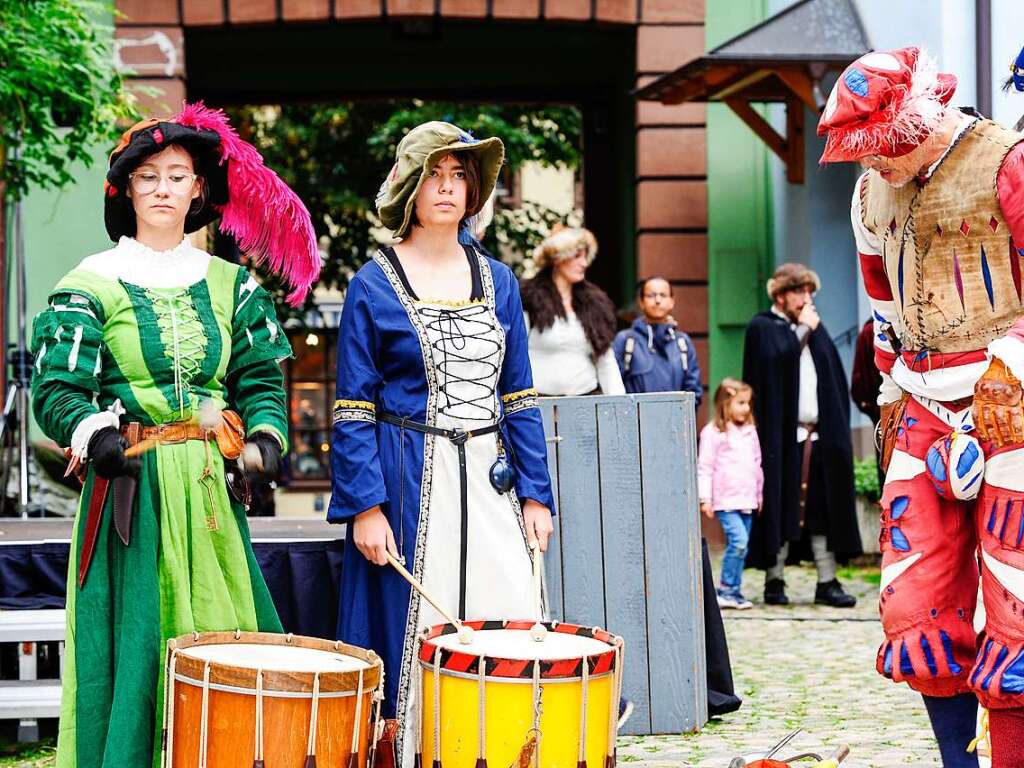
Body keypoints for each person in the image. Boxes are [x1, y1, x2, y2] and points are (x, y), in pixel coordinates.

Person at [30, 103, 319, 768]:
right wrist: (91, 431)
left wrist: (266, 440)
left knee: (227, 638)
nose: (163, 188)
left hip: (210, 492)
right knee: (138, 644)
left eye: (178, 175)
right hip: (133, 486)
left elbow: (260, 380)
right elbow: (57, 387)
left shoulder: (232, 286)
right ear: (127, 189)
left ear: (198, 191)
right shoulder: (91, 281)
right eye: (149, 176)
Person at [817, 46, 1024, 767]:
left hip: (1014, 398)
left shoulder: (1007, 161)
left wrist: (1013, 365)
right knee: (915, 605)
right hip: (922, 396)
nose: (870, 165)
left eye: (877, 148)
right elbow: (881, 303)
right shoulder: (872, 191)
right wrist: (890, 391)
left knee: (1017, 600)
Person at [329, 121, 555, 768]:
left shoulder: (500, 282)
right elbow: (352, 407)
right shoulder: (373, 284)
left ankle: (497, 751)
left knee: (508, 607)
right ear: (410, 186)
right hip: (406, 479)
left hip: (491, 477)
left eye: (460, 176)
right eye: (435, 174)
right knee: (415, 628)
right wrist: (365, 506)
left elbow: (518, 395)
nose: (448, 188)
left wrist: (537, 495)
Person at [742, 263, 861, 608]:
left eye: (809, 292)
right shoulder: (763, 328)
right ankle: (774, 579)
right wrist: (803, 332)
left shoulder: (816, 330)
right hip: (781, 438)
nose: (806, 299)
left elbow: (832, 380)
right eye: (799, 292)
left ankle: (827, 581)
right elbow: (772, 363)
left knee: (822, 509)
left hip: (819, 436)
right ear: (780, 295)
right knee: (781, 504)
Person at [521, 225, 625, 396]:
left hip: (585, 402)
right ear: (557, 258)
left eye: (585, 257)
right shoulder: (529, 298)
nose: (584, 263)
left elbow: (605, 360)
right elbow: (514, 353)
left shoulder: (594, 304)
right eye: (577, 256)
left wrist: (619, 407)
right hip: (539, 405)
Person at [698, 379, 763, 610]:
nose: (746, 408)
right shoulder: (714, 433)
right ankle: (726, 588)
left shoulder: (749, 432)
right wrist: (705, 498)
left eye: (748, 403)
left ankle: (733, 590)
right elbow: (705, 466)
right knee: (739, 542)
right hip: (725, 500)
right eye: (741, 403)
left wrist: (759, 495)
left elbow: (757, 465)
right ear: (726, 404)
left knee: (742, 547)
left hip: (746, 500)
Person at [613, 276, 702, 403]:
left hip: (675, 420)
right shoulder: (626, 340)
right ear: (641, 302)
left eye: (663, 295)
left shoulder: (683, 343)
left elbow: (693, 391)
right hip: (636, 420)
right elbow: (614, 387)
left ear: (672, 301)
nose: (658, 300)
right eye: (651, 295)